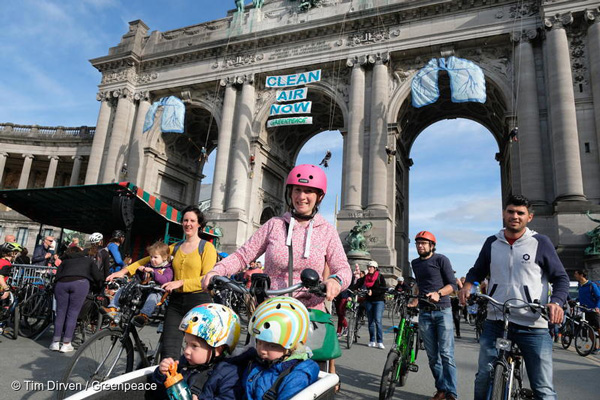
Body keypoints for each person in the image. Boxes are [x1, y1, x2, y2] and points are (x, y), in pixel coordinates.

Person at [459, 194, 569, 400]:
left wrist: (557, 303)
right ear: (503, 214)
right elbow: (477, 270)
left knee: (543, 388)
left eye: (520, 213)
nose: (515, 216)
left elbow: (561, 278)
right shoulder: (492, 242)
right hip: (497, 320)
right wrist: (467, 285)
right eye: (510, 211)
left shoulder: (540, 242)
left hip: (533, 324)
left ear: (530, 217)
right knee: (484, 376)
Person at [202, 164, 351, 312]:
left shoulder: (327, 231)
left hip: (310, 312)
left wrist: (336, 280)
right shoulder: (274, 225)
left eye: (309, 191)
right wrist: (217, 271)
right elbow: (242, 256)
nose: (301, 196)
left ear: (320, 196)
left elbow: (343, 268)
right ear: (290, 192)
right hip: (272, 311)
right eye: (297, 190)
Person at [108, 205, 217, 359]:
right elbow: (148, 259)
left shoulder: (207, 248)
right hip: (176, 301)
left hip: (198, 301)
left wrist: (180, 283)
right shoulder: (175, 247)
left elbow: (207, 278)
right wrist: (123, 271)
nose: (188, 224)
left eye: (192, 220)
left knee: (197, 351)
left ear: (199, 224)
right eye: (185, 220)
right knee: (169, 350)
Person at [152, 303, 243, 400]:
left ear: (217, 349)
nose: (186, 351)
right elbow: (159, 394)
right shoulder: (183, 365)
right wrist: (162, 374)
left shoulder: (229, 375)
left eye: (194, 346)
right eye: (186, 343)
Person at [410, 231, 458, 400]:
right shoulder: (415, 263)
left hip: (442, 311)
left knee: (446, 354)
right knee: (432, 357)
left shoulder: (441, 259)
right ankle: (441, 389)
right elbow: (420, 283)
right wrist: (415, 299)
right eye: (417, 243)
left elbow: (452, 285)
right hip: (424, 313)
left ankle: (452, 393)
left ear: (432, 245)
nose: (420, 246)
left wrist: (439, 293)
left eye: (423, 243)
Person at [242, 296, 319, 400]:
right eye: (259, 342)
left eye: (272, 345)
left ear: (291, 347)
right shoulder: (258, 362)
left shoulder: (296, 377)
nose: (262, 350)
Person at [103, 241, 174, 327]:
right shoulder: (149, 265)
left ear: (165, 257)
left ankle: (143, 316)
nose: (152, 259)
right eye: (151, 257)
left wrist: (154, 273)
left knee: (153, 296)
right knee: (124, 288)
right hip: (142, 290)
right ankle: (113, 308)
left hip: (156, 292)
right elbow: (139, 278)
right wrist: (139, 271)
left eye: (155, 257)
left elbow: (165, 280)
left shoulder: (167, 269)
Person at [50, 246, 103, 352]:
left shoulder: (65, 261)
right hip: (80, 283)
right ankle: (66, 344)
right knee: (73, 313)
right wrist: (99, 288)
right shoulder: (88, 260)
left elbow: (57, 277)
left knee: (60, 313)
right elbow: (98, 277)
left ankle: (55, 342)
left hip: (61, 284)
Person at [352, 260, 387, 348]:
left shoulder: (380, 277)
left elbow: (383, 289)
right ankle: (372, 340)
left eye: (371, 267)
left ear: (375, 268)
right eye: (368, 267)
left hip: (379, 301)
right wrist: (353, 289)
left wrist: (373, 292)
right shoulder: (365, 277)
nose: (369, 268)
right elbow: (358, 284)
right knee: (370, 321)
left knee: (378, 321)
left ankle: (380, 341)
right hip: (369, 301)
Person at [573, 269, 600, 352]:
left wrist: (597, 307)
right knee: (589, 329)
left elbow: (599, 297)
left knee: (598, 328)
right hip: (585, 310)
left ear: (581, 275)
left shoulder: (591, 285)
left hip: (593, 311)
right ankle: (594, 347)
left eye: (576, 273)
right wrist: (575, 300)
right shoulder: (580, 285)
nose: (574, 275)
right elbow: (582, 297)